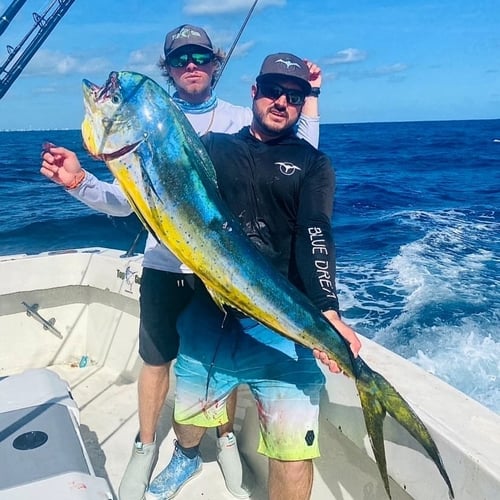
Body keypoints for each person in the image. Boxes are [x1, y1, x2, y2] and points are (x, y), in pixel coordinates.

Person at [40, 25, 323, 500]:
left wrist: (310, 99)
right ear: (167, 69)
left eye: (199, 56)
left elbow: (298, 161)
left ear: (215, 63)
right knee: (157, 361)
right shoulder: (138, 118)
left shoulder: (241, 118)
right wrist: (78, 183)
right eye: (179, 59)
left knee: (224, 361)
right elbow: (129, 199)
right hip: (165, 266)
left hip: (225, 267)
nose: (190, 65)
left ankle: (225, 438)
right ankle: (147, 447)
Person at [145, 52, 362, 500]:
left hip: (284, 330)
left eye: (295, 96)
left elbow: (315, 232)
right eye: (272, 91)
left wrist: (329, 310)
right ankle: (186, 456)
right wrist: (84, 178)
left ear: (303, 105)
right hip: (210, 316)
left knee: (292, 452)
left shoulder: (314, 164)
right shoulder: (213, 148)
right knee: (188, 417)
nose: (282, 101)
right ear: (253, 92)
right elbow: (159, 194)